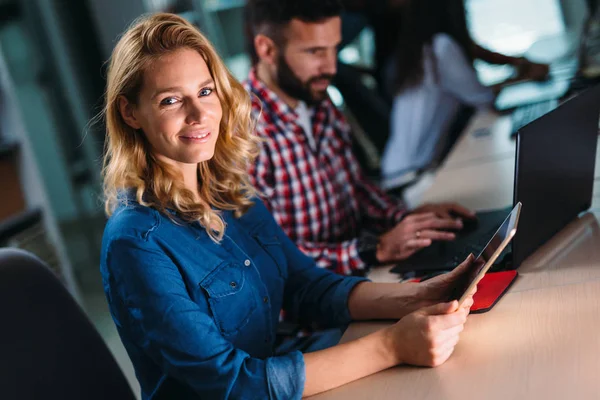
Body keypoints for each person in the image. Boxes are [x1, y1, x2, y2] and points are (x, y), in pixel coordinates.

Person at [99, 12, 476, 399]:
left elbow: (305, 286)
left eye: (206, 91)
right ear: (130, 112)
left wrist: (419, 296)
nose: (199, 115)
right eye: (171, 100)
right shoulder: (136, 243)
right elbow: (235, 382)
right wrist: (392, 346)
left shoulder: (230, 193)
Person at [244, 0, 475, 276]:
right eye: (315, 52)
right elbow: (271, 256)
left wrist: (409, 219)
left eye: (334, 48)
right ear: (266, 49)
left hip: (361, 275)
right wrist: (374, 248)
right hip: (316, 303)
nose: (330, 67)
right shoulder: (240, 136)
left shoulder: (315, 98)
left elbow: (356, 189)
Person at [380, 0, 550, 186]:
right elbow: (484, 99)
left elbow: (476, 85)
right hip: (411, 177)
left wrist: (518, 70)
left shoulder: (422, 48)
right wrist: (523, 77)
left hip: (400, 170)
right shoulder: (441, 47)